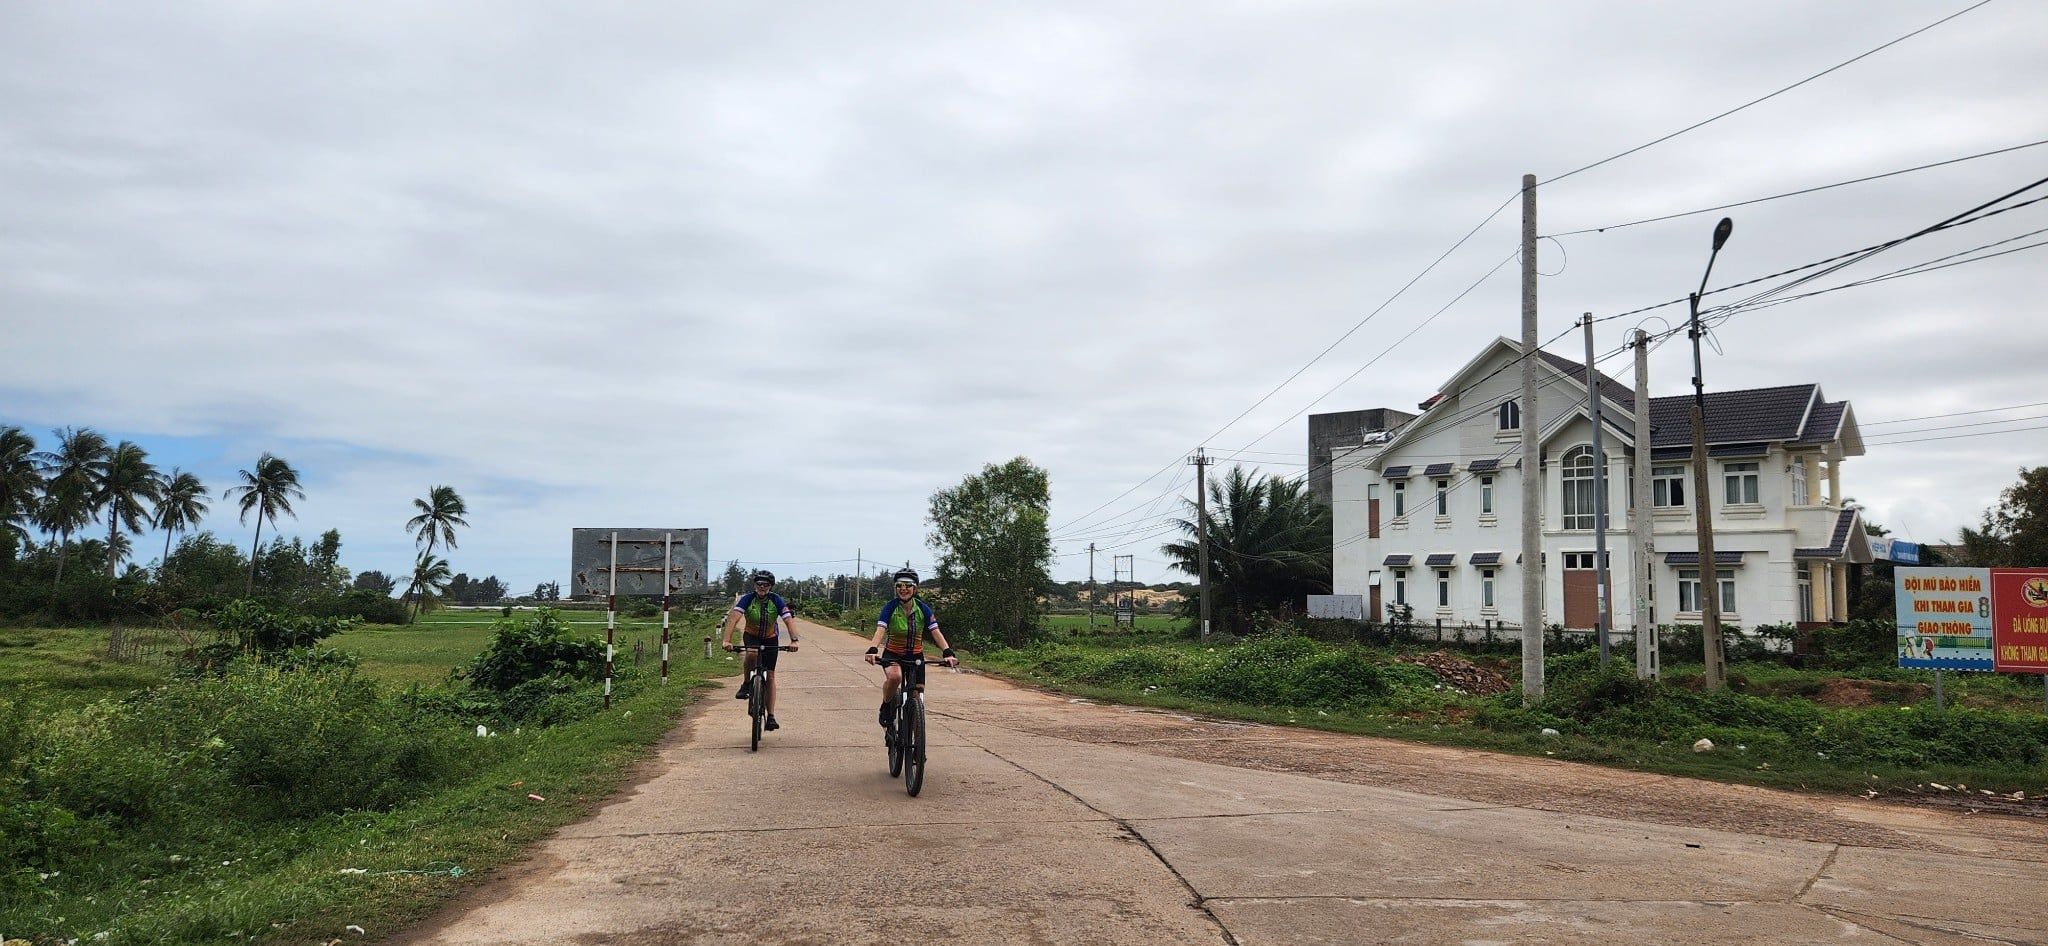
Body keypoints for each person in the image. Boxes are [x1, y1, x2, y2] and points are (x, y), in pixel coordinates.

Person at [864, 568, 957, 729]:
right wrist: (873, 649)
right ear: (896, 588)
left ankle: (915, 731)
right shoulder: (890, 608)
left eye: (908, 585)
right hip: (893, 654)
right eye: (899, 585)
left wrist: (947, 652)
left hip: (915, 655)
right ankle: (886, 707)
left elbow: (935, 631)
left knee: (918, 691)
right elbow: (880, 629)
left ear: (915, 589)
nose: (903, 589)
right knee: (895, 678)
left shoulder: (923, 608)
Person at [723, 569, 799, 731]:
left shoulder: (776, 600)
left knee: (770, 676)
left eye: (765, 584)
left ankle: (771, 716)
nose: (762, 587)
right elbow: (734, 618)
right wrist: (727, 640)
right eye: (759, 584)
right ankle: (746, 684)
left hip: (771, 638)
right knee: (751, 653)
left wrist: (794, 640)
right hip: (752, 636)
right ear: (755, 585)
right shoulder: (747, 599)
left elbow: (788, 620)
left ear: (770, 586)